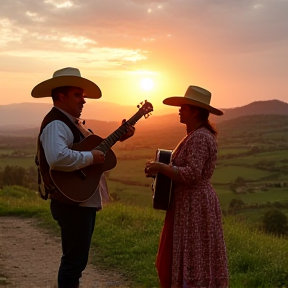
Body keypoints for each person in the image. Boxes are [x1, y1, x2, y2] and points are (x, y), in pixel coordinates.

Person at [31, 67, 135, 288]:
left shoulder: (71, 122)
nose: (83, 100)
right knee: (73, 263)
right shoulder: (57, 123)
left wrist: (118, 138)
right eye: (78, 95)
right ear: (61, 95)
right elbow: (57, 158)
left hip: (79, 200)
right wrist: (90, 158)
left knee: (76, 262)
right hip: (72, 203)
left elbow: (91, 151)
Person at [145, 86, 229, 288]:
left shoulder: (200, 137)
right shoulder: (196, 135)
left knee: (194, 250)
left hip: (195, 203)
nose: (179, 110)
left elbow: (192, 174)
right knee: (193, 250)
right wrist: (161, 170)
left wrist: (161, 168)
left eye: (183, 107)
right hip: (190, 202)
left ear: (195, 111)